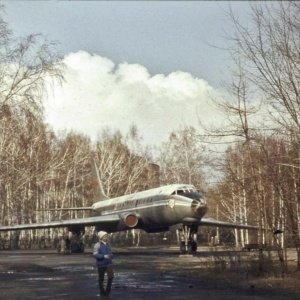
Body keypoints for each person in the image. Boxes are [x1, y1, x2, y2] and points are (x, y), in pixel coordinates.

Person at [93, 231, 114, 298]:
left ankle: (107, 292)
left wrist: (111, 256)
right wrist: (103, 256)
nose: (106, 237)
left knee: (111, 277)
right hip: (101, 264)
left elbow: (110, 252)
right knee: (101, 279)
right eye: (105, 236)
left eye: (106, 236)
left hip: (108, 264)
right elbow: (95, 254)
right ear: (101, 237)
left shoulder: (108, 244)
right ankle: (102, 293)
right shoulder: (97, 245)